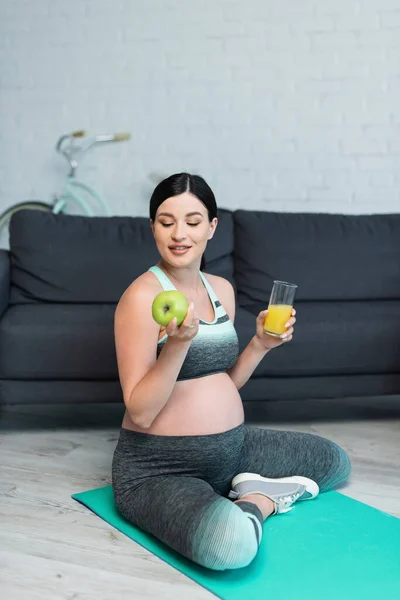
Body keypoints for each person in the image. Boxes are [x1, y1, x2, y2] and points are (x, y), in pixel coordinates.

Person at [112, 173, 351, 571]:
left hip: (232, 450)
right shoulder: (141, 297)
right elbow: (141, 412)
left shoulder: (220, 289)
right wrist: (177, 344)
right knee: (230, 547)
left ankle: (243, 485)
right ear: (152, 226)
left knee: (333, 461)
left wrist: (259, 345)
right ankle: (259, 500)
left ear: (211, 227)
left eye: (192, 221)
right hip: (160, 468)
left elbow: (222, 381)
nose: (179, 234)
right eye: (166, 221)